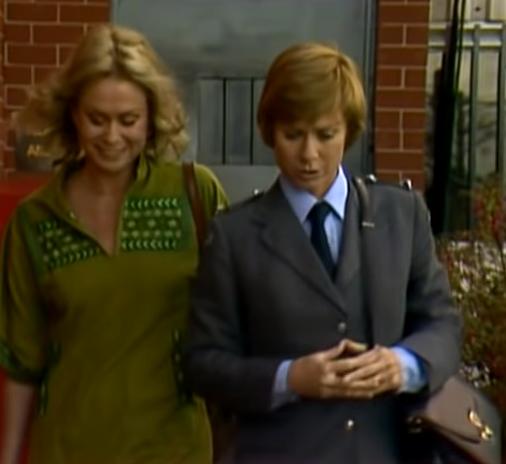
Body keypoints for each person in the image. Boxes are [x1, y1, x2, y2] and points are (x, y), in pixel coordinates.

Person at [183, 42, 462, 464]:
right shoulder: (234, 235)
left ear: (349, 130)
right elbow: (203, 363)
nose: (309, 155)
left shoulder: (400, 215)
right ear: (269, 132)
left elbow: (442, 324)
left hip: (383, 451)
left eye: (325, 135)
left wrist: (403, 365)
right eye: (293, 135)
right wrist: (289, 377)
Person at [0, 24, 228, 464]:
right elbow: (22, 362)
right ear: (72, 114)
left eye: (128, 120)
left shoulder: (195, 194)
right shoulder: (35, 219)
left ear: (151, 116)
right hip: (67, 449)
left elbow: (241, 319)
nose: (111, 137)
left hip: (175, 449)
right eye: (97, 119)